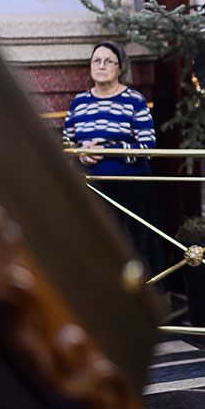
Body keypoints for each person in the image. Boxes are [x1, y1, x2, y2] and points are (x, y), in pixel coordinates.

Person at [63, 41, 166, 283]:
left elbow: (146, 148)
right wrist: (81, 154)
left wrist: (108, 151)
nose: (101, 66)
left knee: (131, 248)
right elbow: (67, 145)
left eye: (109, 61)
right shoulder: (79, 103)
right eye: (96, 61)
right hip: (89, 190)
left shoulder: (134, 101)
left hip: (128, 190)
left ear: (121, 68)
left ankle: (141, 298)